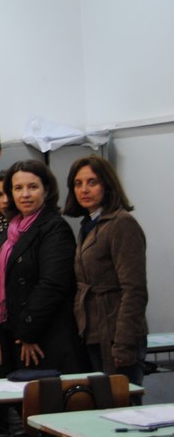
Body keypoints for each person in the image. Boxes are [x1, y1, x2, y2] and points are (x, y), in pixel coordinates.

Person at [0, 160, 84, 374]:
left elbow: (52, 285)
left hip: (42, 337)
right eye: (18, 188)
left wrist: (28, 333)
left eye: (33, 187)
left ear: (46, 190)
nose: (25, 194)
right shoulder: (11, 230)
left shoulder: (55, 228)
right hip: (11, 333)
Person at [64, 156, 149, 385]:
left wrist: (124, 342)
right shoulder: (89, 224)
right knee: (102, 401)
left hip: (117, 334)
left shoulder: (122, 223)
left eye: (92, 182)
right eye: (78, 184)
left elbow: (134, 290)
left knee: (123, 402)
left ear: (107, 185)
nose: (84, 189)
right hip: (93, 331)